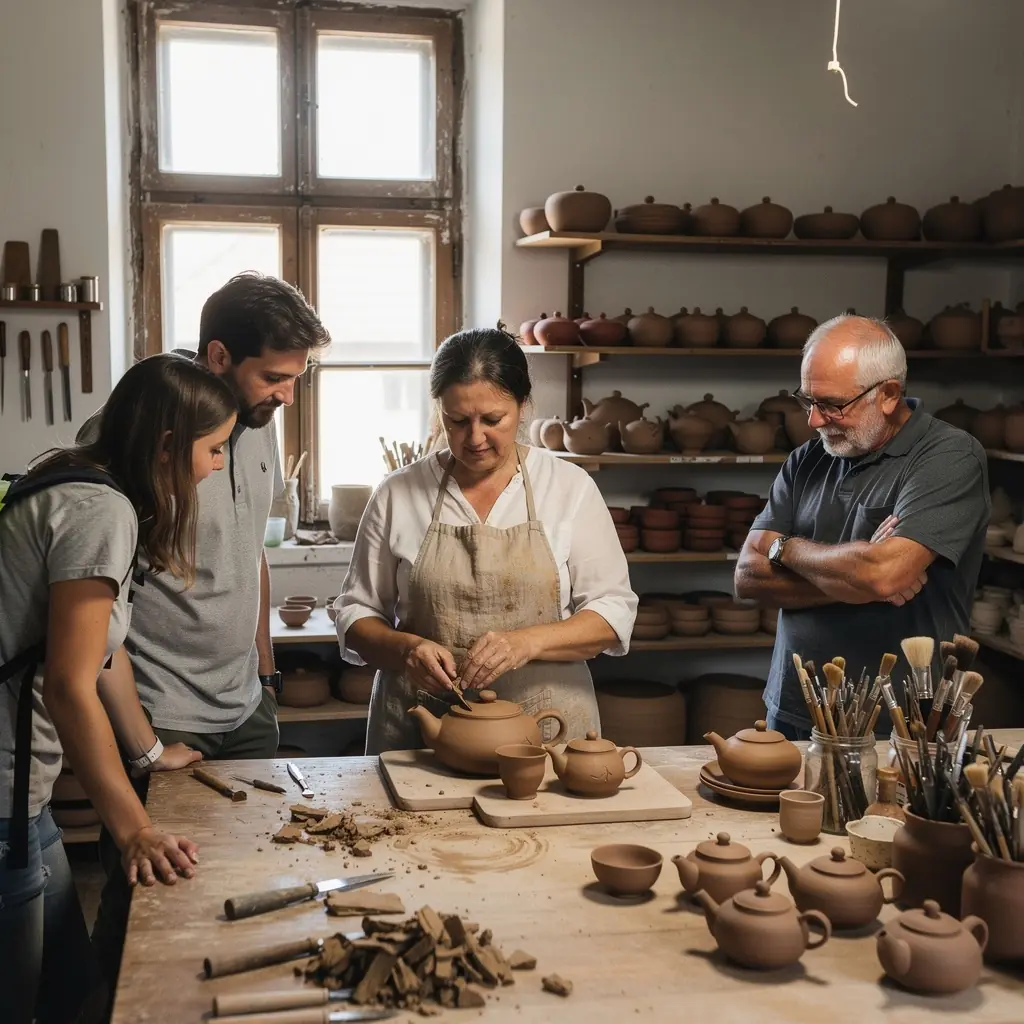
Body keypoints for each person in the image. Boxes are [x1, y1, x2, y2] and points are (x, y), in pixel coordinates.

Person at [84, 271, 330, 997]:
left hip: (243, 703)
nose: (287, 395)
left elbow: (249, 549)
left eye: (297, 379)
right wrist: (145, 743)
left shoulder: (252, 425)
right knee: (146, 899)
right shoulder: (131, 441)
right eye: (276, 377)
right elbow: (96, 621)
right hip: (157, 713)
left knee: (252, 877)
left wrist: (265, 673)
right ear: (218, 356)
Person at [0, 354, 237, 1024]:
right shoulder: (99, 512)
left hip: (24, 796)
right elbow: (70, 688)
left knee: (75, 993)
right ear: (167, 445)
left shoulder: (75, 477)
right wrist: (134, 829)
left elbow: (101, 653)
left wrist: (151, 755)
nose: (218, 466)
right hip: (2, 796)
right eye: (214, 449)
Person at [337, 326, 638, 752]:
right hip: (422, 730)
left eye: (493, 420)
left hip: (546, 726)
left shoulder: (568, 487)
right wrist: (406, 650)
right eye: (457, 421)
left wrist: (528, 642)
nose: (475, 438)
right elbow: (355, 614)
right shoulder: (398, 492)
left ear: (523, 406)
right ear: (438, 411)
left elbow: (612, 613)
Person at [734, 314, 990, 739]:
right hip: (797, 706)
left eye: (832, 404)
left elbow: (885, 573)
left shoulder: (949, 457)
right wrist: (857, 584)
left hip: (901, 722)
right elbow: (748, 577)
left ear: (889, 394)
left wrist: (787, 550)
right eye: (807, 400)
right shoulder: (807, 459)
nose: (814, 421)